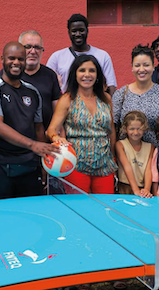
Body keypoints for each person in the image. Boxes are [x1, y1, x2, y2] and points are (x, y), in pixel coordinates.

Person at [0, 42, 57, 200]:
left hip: (29, 166)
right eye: (11, 58)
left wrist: (43, 164)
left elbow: (38, 129)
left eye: (21, 59)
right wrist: (33, 145)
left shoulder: (32, 91)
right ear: (2, 59)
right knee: (2, 215)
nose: (16, 63)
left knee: (31, 213)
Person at [47, 55, 118, 194]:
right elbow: (51, 130)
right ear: (75, 74)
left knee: (105, 206)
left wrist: (114, 160)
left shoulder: (106, 98)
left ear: (97, 75)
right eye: (82, 70)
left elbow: (112, 132)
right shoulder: (67, 99)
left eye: (92, 70)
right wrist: (56, 138)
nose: (87, 75)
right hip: (76, 164)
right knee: (79, 207)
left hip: (105, 164)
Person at [112, 45, 159, 146]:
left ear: (153, 66)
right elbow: (113, 126)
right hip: (126, 154)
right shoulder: (121, 94)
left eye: (146, 65)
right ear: (132, 68)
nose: (141, 69)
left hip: (156, 154)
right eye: (137, 65)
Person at [46, 14, 117, 94]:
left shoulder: (103, 56)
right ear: (69, 32)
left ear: (87, 30)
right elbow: (47, 83)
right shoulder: (56, 57)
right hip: (67, 104)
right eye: (74, 31)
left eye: (81, 30)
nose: (78, 34)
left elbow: (111, 86)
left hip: (95, 104)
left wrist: (109, 104)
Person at [18, 30, 62, 129]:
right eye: (28, 47)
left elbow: (58, 113)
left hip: (45, 138)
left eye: (37, 47)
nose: (33, 51)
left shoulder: (50, 75)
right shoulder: (9, 74)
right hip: (16, 139)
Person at [115, 111, 154, 198]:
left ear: (144, 129)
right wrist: (135, 190)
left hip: (143, 189)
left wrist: (147, 189)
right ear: (125, 129)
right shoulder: (120, 145)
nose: (136, 132)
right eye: (132, 129)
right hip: (125, 187)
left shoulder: (150, 147)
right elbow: (127, 167)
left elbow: (149, 170)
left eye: (139, 129)